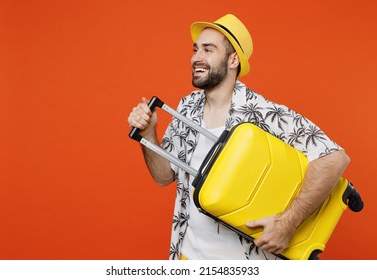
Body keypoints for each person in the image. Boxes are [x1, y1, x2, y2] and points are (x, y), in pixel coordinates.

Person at [127, 14, 350, 260]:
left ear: (233, 59)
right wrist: (148, 134)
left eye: (208, 50)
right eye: (195, 50)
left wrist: (288, 223)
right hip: (187, 255)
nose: (196, 58)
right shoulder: (187, 106)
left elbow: (335, 158)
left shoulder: (262, 112)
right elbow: (163, 176)